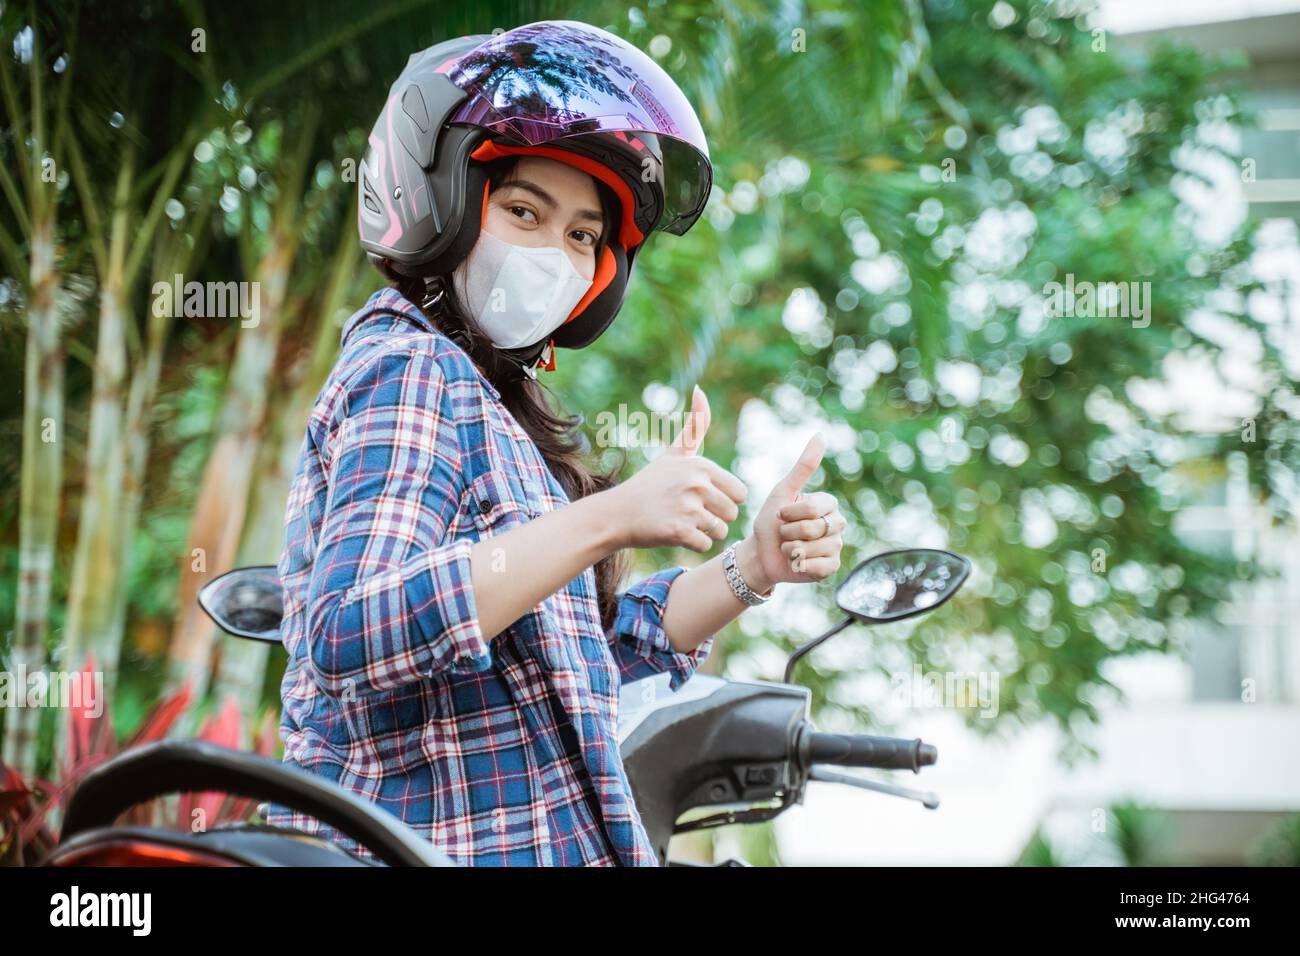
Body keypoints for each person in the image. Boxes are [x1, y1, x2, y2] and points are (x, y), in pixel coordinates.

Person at [264, 20, 845, 866]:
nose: (556, 253)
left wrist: (751, 568)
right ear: (448, 201)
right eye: (526, 210)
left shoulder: (497, 415)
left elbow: (583, 670)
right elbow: (355, 627)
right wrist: (610, 518)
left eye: (582, 235)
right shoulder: (411, 368)